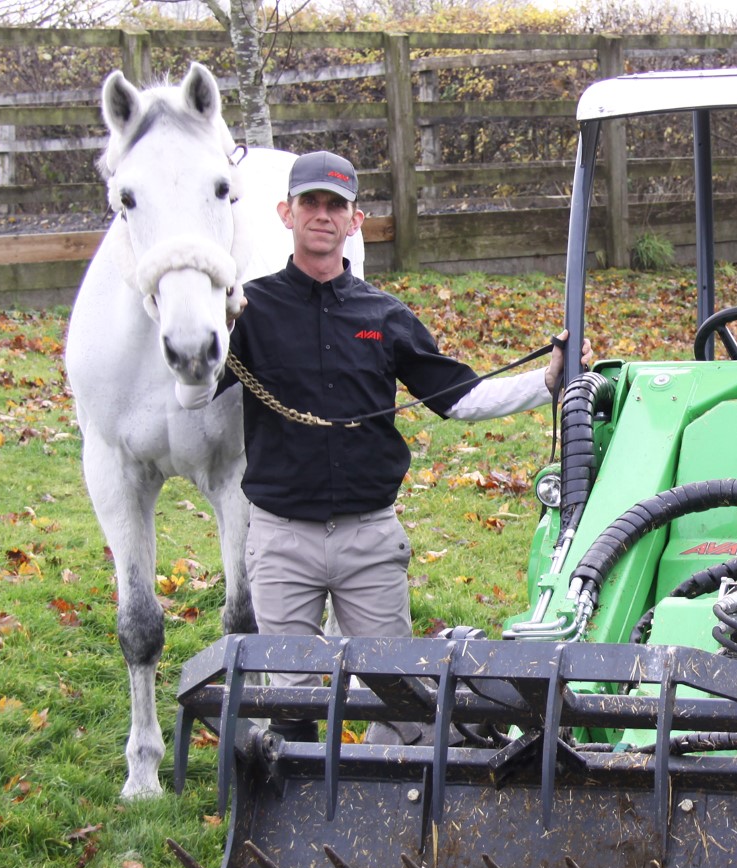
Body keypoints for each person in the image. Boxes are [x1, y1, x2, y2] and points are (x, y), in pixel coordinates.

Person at [177, 150, 589, 678]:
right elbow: (192, 398)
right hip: (280, 539)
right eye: (310, 202)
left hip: (369, 537)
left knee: (400, 698)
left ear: (355, 221)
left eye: (336, 205)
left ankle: (379, 760)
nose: (322, 215)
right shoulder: (248, 311)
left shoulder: (385, 315)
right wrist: (199, 327)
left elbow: (457, 398)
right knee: (288, 697)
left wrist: (546, 382)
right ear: (286, 213)